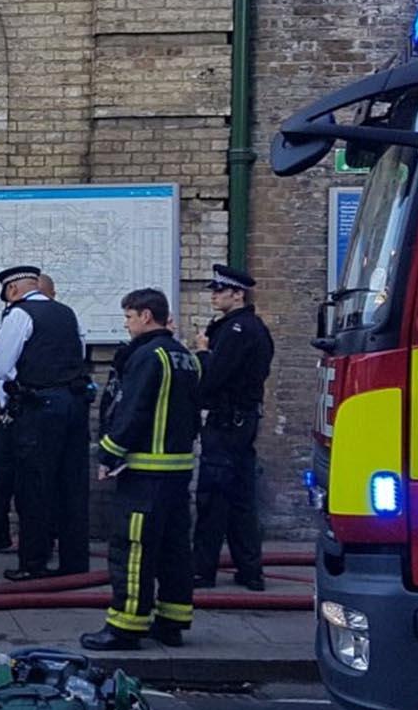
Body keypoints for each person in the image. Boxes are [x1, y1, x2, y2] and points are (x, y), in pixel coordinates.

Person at [82, 288, 202, 653]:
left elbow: (132, 410)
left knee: (133, 549)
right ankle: (172, 622)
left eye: (130, 317)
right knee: (175, 549)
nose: (127, 323)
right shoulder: (186, 357)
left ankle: (125, 625)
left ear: (146, 316)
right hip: (178, 469)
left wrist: (109, 453)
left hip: (146, 473)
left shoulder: (149, 357)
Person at [0, 264, 87, 582]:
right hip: (74, 405)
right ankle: (74, 561)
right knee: (71, 486)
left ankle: (33, 562)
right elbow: (78, 353)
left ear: (12, 290)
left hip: (39, 408)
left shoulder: (19, 315)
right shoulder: (67, 313)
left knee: (34, 486)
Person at [193, 264, 275, 591]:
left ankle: (202, 570)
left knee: (213, 498)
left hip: (227, 423)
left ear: (237, 294)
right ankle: (250, 570)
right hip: (243, 421)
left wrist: (202, 353)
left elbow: (214, 376)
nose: (214, 295)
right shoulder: (249, 327)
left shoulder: (237, 330)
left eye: (219, 290)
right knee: (241, 498)